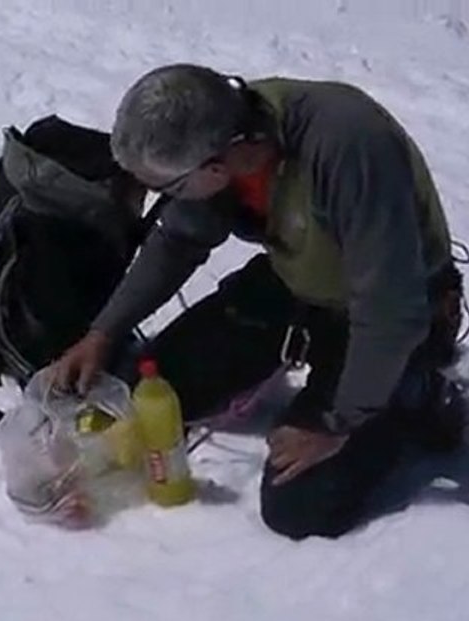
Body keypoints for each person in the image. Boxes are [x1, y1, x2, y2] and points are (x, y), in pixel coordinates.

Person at [52, 64, 465, 540]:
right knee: (150, 393)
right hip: (299, 279)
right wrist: (104, 331)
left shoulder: (347, 145)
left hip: (393, 307)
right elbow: (179, 242)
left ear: (214, 167)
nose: (165, 200)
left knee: (300, 502)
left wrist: (338, 422)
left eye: (167, 189)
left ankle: (417, 394)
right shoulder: (225, 131)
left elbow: (392, 308)